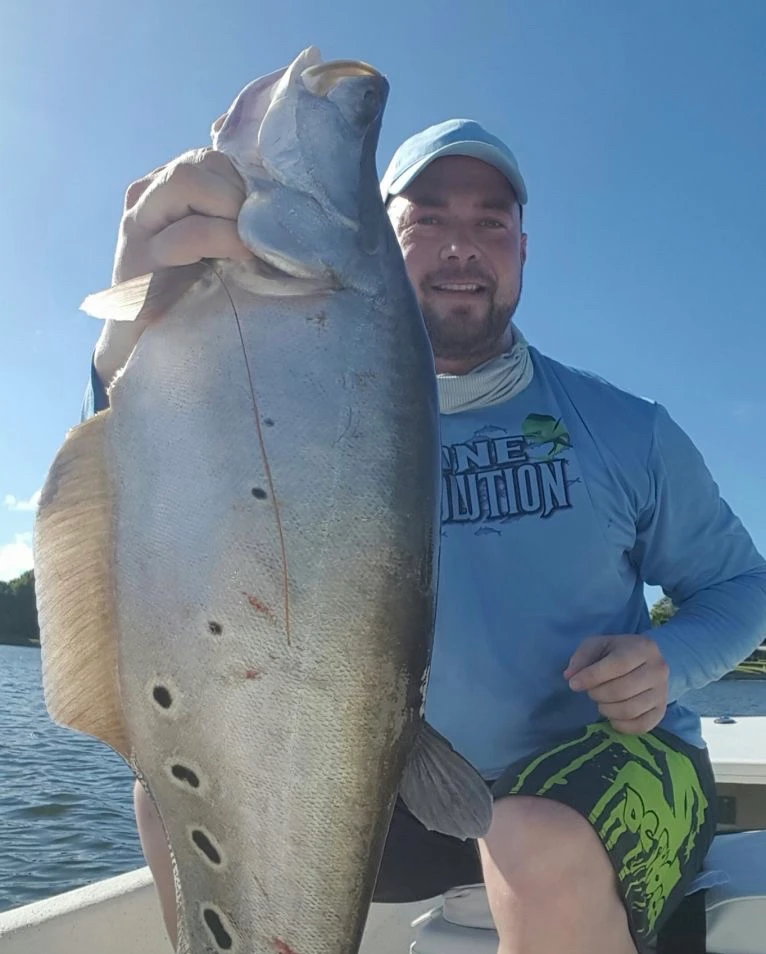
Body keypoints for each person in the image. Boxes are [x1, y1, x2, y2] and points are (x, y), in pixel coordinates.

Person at [82, 116, 766, 954]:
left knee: (528, 838)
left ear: (522, 245)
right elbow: (158, 503)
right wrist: (128, 334)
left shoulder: (626, 430)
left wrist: (668, 660)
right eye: (428, 218)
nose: (461, 245)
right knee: (175, 788)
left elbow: (743, 586)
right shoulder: (293, 417)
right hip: (399, 778)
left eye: (490, 221)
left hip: (608, 768)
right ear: (381, 238)